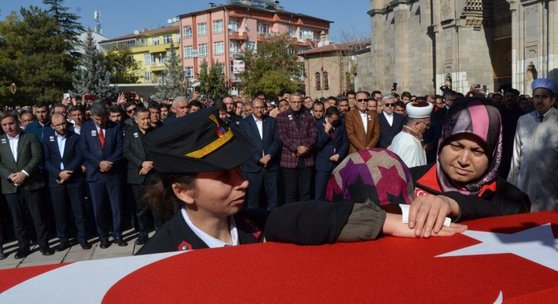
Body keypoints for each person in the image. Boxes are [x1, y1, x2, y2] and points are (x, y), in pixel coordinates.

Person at [136, 109, 462, 255]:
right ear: (182, 191)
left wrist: (396, 221)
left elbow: (321, 217)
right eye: (224, 176)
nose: (243, 182)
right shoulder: (157, 259)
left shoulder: (261, 226)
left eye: (239, 169)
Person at [406, 99, 530, 237]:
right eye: (456, 146)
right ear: (442, 142)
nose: (463, 160)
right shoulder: (406, 180)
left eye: (477, 151)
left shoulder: (512, 203)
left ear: (494, 154)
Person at [508, 78, 558, 212]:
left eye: (544, 97)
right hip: (526, 182)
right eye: (536, 96)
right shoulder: (523, 120)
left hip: (553, 184)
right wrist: (512, 183)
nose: (539, 101)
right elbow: (516, 154)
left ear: (553, 100)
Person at [0, 111, 54, 257]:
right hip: (10, 187)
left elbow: (37, 156)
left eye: (10, 123)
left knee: (38, 217)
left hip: (31, 184)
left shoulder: (30, 137)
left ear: (17, 122)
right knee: (17, 220)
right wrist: (10, 175)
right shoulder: (1, 141)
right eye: (4, 125)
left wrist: (24, 173)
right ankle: (23, 246)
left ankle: (44, 244)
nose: (8, 127)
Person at [81, 101, 127, 248]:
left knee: (117, 206)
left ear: (106, 116)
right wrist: (98, 163)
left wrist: (109, 162)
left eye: (102, 119)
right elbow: (84, 149)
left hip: (113, 172)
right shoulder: (86, 127)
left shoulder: (115, 127)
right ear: (92, 116)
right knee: (98, 207)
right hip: (95, 174)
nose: (99, 122)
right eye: (96, 119)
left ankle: (118, 234)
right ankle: (103, 236)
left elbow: (121, 148)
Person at [43, 113, 91, 251]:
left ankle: (82, 238)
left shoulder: (75, 138)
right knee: (60, 212)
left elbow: (79, 156)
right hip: (56, 181)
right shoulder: (47, 139)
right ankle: (63, 240)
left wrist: (68, 172)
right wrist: (59, 173)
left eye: (63, 123)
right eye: (58, 125)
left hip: (74, 179)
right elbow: (46, 160)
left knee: (79, 211)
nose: (62, 127)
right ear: (52, 126)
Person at [237, 97, 280, 210]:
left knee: (273, 199)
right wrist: (258, 158)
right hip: (253, 167)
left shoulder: (272, 121)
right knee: (253, 199)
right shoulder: (244, 124)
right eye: (256, 108)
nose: (259, 110)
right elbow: (245, 145)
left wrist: (269, 155)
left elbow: (277, 140)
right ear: (251, 108)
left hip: (271, 166)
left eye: (261, 107)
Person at [123, 107, 157, 245]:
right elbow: (127, 151)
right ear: (136, 120)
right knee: (141, 207)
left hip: (154, 174)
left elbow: (160, 151)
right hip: (137, 175)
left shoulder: (156, 132)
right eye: (142, 119)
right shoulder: (130, 133)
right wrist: (141, 164)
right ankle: (143, 233)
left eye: (148, 118)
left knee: (156, 205)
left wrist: (150, 165)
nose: (146, 121)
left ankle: (160, 230)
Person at [276, 92, 317, 203]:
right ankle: (291, 217)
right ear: (289, 102)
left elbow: (313, 134)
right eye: (294, 102)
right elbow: (282, 136)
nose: (296, 104)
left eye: (299, 102)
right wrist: (296, 148)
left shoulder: (308, 115)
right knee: (290, 192)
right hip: (289, 159)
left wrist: (305, 147)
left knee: (305, 192)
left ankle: (305, 217)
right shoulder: (281, 117)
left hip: (306, 158)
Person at [314, 106, 348, 200]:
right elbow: (318, 145)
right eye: (333, 120)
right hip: (323, 164)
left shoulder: (341, 124)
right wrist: (326, 131)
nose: (335, 122)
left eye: (337, 120)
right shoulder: (318, 124)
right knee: (320, 193)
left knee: (336, 193)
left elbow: (345, 142)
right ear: (327, 116)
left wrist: (339, 154)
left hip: (337, 164)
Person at [389, 100, 433, 169]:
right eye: (427, 124)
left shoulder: (399, 136)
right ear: (417, 124)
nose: (428, 127)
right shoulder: (411, 144)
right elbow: (412, 174)